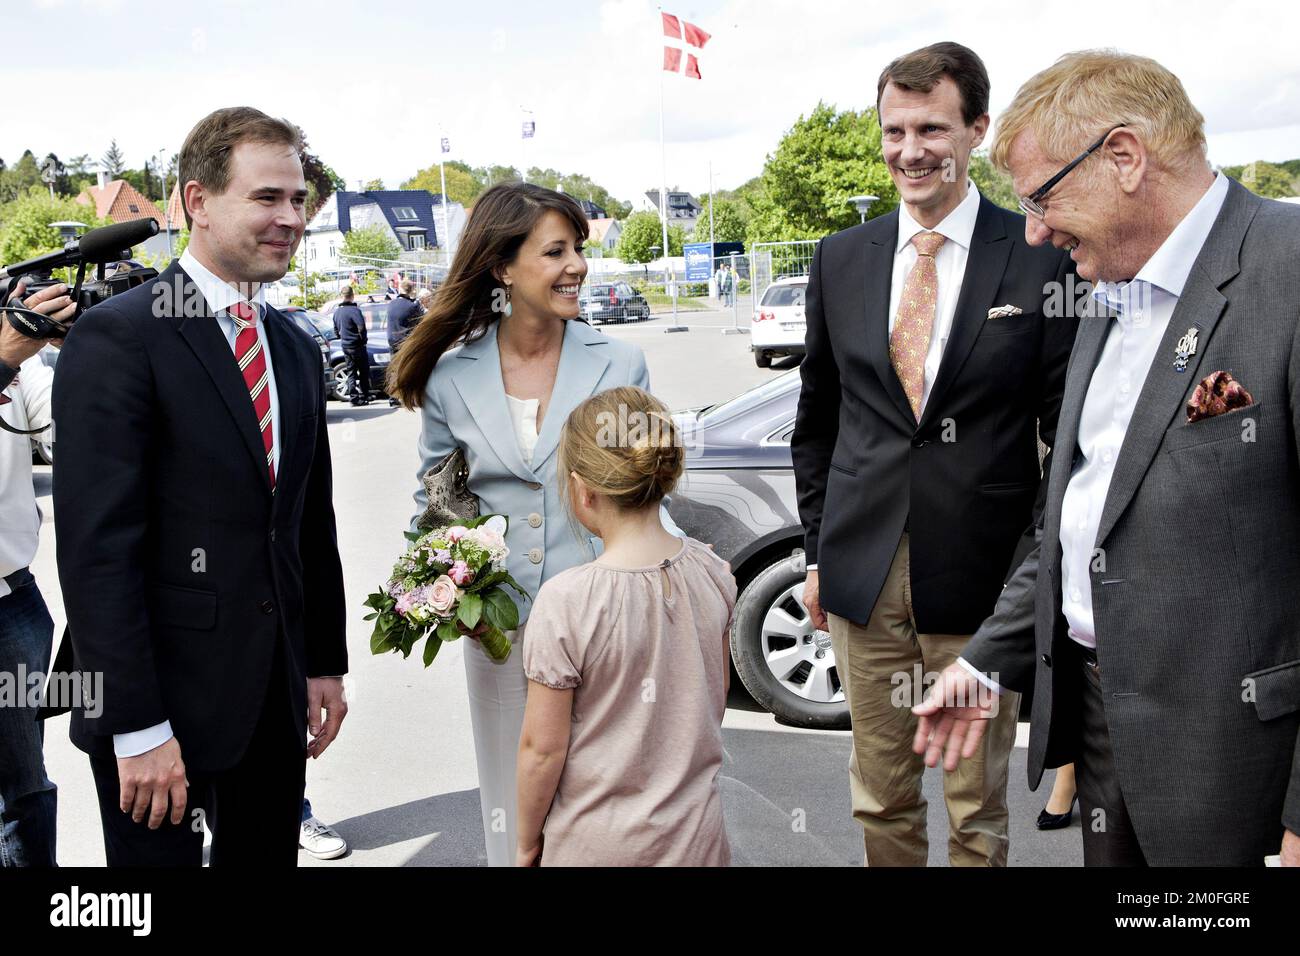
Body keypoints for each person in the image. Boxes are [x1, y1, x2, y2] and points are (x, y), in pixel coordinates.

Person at [914, 50, 1300, 868]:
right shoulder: (1101, 290)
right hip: (1098, 727)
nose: (1035, 230)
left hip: (1238, 760)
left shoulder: (1288, 269)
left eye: (1042, 197)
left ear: (1123, 157)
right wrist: (988, 659)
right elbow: (1086, 515)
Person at [791, 41, 1077, 867]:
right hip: (861, 578)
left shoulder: (1039, 253)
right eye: (893, 130)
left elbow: (1064, 434)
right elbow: (819, 420)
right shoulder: (840, 258)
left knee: (977, 808)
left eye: (931, 129)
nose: (909, 151)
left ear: (976, 130)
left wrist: (1034, 566)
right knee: (880, 795)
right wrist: (816, 549)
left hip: (982, 583)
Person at [50, 106, 349, 867]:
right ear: (196, 201)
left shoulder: (293, 346)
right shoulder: (120, 336)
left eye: (297, 199)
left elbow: (308, 522)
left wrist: (322, 661)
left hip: (271, 704)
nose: (291, 218)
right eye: (267, 198)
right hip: (158, 713)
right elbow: (97, 554)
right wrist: (138, 727)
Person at [389, 182, 683, 867]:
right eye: (556, 251)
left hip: (609, 620)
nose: (577, 264)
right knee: (510, 798)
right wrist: (438, 592)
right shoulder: (450, 377)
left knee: (609, 797)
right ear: (501, 268)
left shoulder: (620, 362)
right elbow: (439, 498)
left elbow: (644, 492)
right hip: (500, 627)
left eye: (578, 248)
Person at [516, 386, 735, 867]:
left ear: (582, 489)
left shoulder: (566, 601)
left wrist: (527, 843)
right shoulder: (713, 573)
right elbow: (708, 705)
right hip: (696, 840)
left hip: (596, 845)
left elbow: (541, 751)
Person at [0, 280, 75, 867]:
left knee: (24, 787)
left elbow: (73, 433)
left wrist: (95, 351)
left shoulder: (22, 362)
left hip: (10, 604)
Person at [385, 278, 423, 406]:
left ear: (400, 289)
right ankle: (409, 397)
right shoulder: (412, 306)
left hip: (392, 341)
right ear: (411, 290)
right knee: (408, 368)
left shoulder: (391, 304)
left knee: (393, 369)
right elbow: (419, 322)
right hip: (406, 341)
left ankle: (393, 397)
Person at [334, 286, 370, 406]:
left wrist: (343, 338)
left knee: (351, 372)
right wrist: (363, 340)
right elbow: (361, 328)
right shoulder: (355, 311)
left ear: (342, 296)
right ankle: (365, 395)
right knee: (364, 371)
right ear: (352, 295)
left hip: (345, 345)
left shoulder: (337, 312)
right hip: (357, 345)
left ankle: (354, 397)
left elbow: (336, 330)